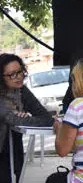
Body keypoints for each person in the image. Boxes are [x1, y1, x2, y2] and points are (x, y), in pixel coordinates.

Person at [0, 54, 53, 182]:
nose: (18, 77)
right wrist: (21, 118)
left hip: (12, 148)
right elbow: (12, 119)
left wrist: (26, 118)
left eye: (20, 72)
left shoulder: (22, 91)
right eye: (12, 74)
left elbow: (46, 118)